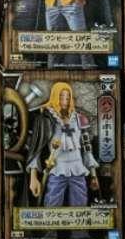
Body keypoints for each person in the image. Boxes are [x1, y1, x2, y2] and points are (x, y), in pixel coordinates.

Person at [25, 81, 99, 209]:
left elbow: (87, 148)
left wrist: (93, 175)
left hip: (78, 170)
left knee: (80, 209)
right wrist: (33, 177)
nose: (65, 100)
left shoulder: (79, 118)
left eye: (68, 97)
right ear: (55, 96)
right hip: (56, 170)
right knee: (51, 209)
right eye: (61, 96)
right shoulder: (46, 119)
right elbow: (37, 149)